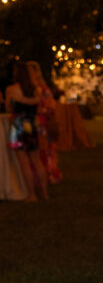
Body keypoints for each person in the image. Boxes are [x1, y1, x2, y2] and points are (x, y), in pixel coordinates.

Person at [5, 61, 49, 201]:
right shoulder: (35, 89)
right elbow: (37, 106)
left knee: (24, 162)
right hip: (31, 124)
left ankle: (32, 194)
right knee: (36, 161)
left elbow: (9, 109)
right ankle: (45, 193)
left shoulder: (11, 90)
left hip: (18, 125)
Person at [27, 61, 62, 184]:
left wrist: (39, 110)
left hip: (42, 123)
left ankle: (48, 175)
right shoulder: (29, 88)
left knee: (45, 151)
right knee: (40, 152)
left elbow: (50, 106)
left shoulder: (41, 88)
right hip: (36, 122)